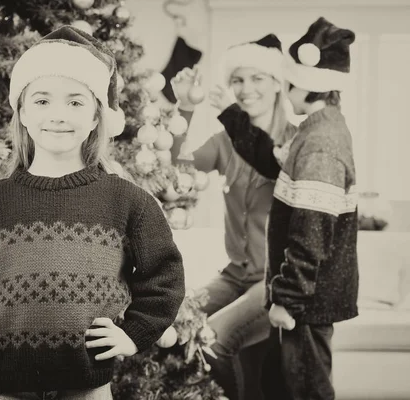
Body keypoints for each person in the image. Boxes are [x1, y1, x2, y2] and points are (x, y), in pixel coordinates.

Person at [0, 25, 186, 400]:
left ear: (95, 117)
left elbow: (164, 276)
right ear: (21, 112)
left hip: (88, 385)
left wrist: (134, 335)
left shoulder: (128, 201)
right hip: (4, 387)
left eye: (75, 102)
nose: (58, 115)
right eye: (41, 101)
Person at [220, 17, 359, 400]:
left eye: (289, 82)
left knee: (306, 390)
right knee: (281, 386)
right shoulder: (316, 130)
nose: (284, 90)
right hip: (305, 297)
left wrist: (288, 299)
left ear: (307, 86)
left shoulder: (320, 143)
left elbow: (311, 231)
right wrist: (231, 115)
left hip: (306, 301)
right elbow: (272, 163)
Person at [167, 34, 296, 400]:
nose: (245, 88)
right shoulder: (225, 141)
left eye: (257, 78)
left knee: (214, 338)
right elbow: (178, 171)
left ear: (276, 84)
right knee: (174, 319)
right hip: (234, 274)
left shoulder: (295, 140)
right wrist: (184, 108)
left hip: (274, 279)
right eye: (238, 79)